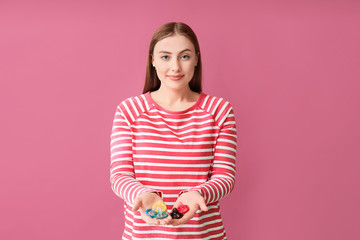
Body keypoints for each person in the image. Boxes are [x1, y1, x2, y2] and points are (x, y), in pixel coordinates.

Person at [110, 22, 237, 240]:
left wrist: (198, 194)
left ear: (196, 59)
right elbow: (120, 175)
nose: (175, 67)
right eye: (165, 57)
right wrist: (142, 194)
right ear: (152, 60)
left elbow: (225, 176)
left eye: (184, 56)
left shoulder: (220, 111)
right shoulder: (129, 111)